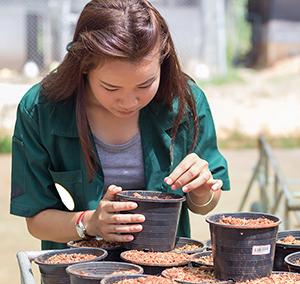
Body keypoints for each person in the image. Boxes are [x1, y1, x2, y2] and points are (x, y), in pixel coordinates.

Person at [10, 0, 230, 251]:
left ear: (163, 60)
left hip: (162, 268)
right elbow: (36, 220)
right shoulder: (40, 109)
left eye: (145, 85)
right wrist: (90, 223)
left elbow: (206, 203)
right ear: (84, 67)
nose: (128, 101)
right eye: (111, 88)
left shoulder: (185, 101)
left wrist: (202, 191)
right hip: (79, 273)